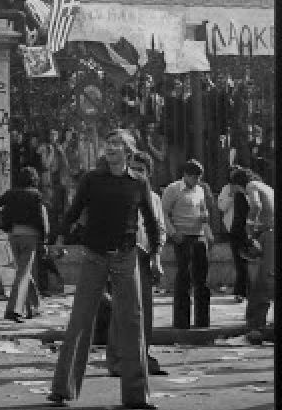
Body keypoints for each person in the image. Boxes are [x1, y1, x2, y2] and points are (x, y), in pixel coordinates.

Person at [47, 129, 161, 410]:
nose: (110, 147)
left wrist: (156, 255)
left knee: (132, 322)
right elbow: (73, 212)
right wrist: (59, 239)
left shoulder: (138, 183)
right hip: (94, 256)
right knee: (80, 320)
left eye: (117, 144)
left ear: (128, 151)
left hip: (126, 256)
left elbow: (151, 222)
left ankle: (137, 396)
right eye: (108, 143)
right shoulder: (92, 180)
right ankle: (63, 390)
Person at [105, 150, 168, 377]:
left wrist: (156, 257)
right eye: (134, 169)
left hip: (145, 256)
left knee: (145, 310)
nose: (137, 174)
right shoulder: (120, 192)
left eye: (141, 170)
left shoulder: (154, 199)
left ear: (149, 174)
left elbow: (158, 229)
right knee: (121, 309)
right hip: (122, 254)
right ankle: (116, 358)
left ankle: (143, 354)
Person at [161, 159, 214, 329]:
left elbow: (203, 209)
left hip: (199, 235)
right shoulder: (173, 189)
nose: (197, 180)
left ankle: (202, 320)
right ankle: (182, 322)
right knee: (184, 278)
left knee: (202, 279)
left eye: (199, 177)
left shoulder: (200, 189)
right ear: (186, 175)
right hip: (182, 236)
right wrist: (172, 232)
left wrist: (206, 225)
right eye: (194, 177)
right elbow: (163, 212)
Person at [228, 168, 274, 341]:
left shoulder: (251, 186)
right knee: (267, 279)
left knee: (263, 281)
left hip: (269, 234)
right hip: (267, 233)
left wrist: (248, 228)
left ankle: (256, 324)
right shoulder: (266, 186)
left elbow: (256, 206)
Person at [0, 166, 48, 323]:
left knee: (23, 271)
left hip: (13, 235)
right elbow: (41, 218)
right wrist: (45, 239)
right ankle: (14, 309)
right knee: (23, 272)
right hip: (30, 236)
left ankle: (35, 306)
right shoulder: (36, 196)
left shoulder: (10, 194)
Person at [218, 167, 249, 303]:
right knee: (239, 262)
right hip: (233, 229)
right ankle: (241, 291)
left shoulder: (248, 189)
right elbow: (221, 207)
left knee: (244, 262)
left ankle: (244, 291)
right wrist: (230, 195)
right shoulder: (227, 189)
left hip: (245, 229)